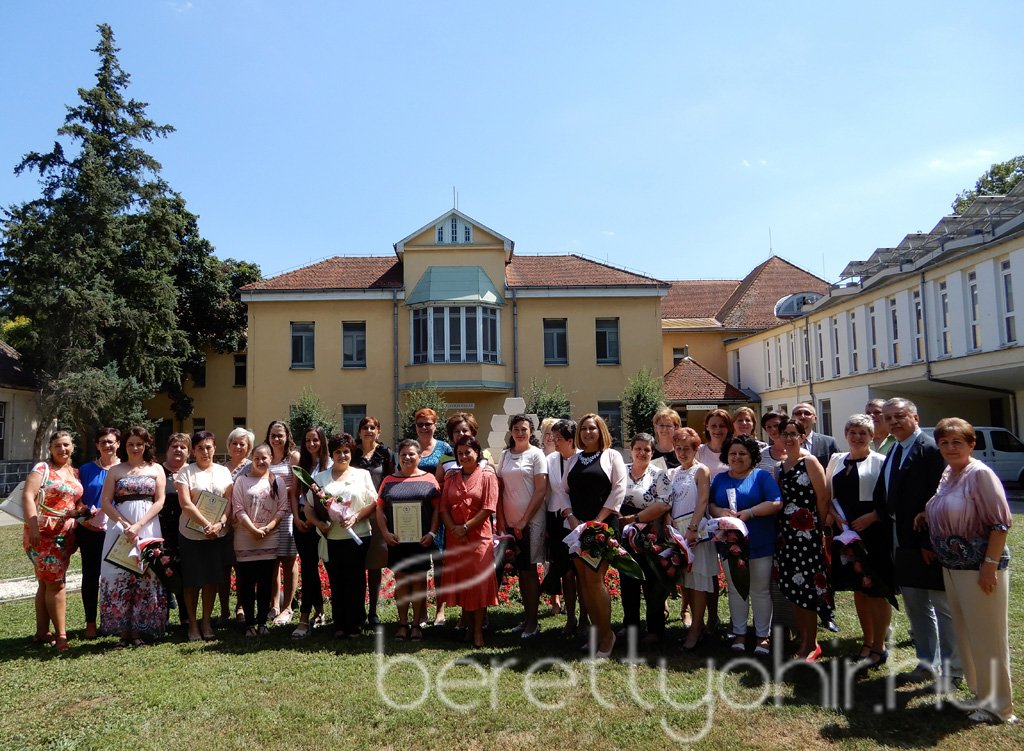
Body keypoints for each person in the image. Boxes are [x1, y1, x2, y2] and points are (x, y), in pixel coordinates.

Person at [919, 418, 1016, 725]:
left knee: (988, 638)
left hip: (979, 569)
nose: (950, 448)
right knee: (967, 635)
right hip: (953, 567)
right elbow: (952, 505)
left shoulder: (980, 474)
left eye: (957, 442)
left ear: (971, 444)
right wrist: (928, 513)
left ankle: (1000, 708)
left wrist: (989, 567)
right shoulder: (950, 473)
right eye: (944, 442)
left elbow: (1000, 524)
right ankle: (980, 694)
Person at [873, 397, 961, 685]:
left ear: (915, 417)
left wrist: (928, 541)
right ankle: (927, 664)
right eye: (888, 418)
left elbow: (940, 498)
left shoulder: (930, 451)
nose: (894, 422)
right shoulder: (895, 449)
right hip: (900, 538)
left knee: (941, 606)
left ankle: (953, 669)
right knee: (914, 603)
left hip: (927, 541)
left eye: (899, 416)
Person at [556, 414, 627, 658]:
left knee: (596, 581)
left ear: (601, 431)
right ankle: (597, 633)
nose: (587, 433)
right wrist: (572, 518)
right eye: (584, 429)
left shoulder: (612, 456)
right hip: (577, 529)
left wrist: (598, 520)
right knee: (584, 582)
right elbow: (562, 490)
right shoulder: (575, 459)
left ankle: (608, 635)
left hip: (602, 528)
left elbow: (619, 488)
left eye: (592, 429)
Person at [709, 434, 782, 656]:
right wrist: (721, 512)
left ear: (752, 456)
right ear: (726, 456)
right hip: (730, 546)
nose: (737, 457)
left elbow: (776, 502)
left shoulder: (761, 476)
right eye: (733, 453)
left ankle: (762, 636)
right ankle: (739, 634)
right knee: (735, 590)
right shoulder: (720, 479)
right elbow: (711, 504)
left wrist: (749, 513)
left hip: (759, 543)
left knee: (759, 590)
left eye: (742, 453)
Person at [825, 415, 889, 666]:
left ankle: (880, 646)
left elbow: (888, 499)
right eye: (852, 431)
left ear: (872, 436)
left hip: (873, 533)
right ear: (846, 434)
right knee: (859, 589)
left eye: (863, 432)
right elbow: (828, 494)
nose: (857, 436)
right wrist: (835, 518)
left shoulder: (881, 462)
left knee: (875, 589)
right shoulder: (836, 460)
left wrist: (872, 518)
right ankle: (867, 641)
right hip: (846, 532)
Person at [99, 427, 167, 646]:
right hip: (119, 529)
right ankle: (122, 632)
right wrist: (125, 525)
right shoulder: (116, 470)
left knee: (144, 573)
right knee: (119, 572)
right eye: (131, 444)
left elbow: (159, 500)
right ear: (124, 446)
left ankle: (139, 630)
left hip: (147, 526)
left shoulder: (156, 468)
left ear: (146, 445)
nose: (135, 448)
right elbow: (106, 502)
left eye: (139, 444)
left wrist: (139, 525)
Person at [648, 427, 713, 650]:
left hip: (695, 532)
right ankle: (698, 625)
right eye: (678, 449)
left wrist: (693, 528)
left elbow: (703, 501)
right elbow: (667, 502)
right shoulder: (673, 473)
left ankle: (696, 630)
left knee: (698, 583)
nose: (682, 453)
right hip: (676, 532)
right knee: (687, 583)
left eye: (687, 448)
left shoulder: (701, 470)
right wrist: (668, 524)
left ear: (696, 449)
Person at [775, 418, 834, 661]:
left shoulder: (809, 461)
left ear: (802, 435)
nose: (789, 438)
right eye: (784, 434)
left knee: (808, 587)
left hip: (808, 534)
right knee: (793, 586)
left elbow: (822, 498)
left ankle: (812, 642)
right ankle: (803, 638)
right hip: (787, 536)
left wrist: (819, 530)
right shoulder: (780, 466)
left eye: (793, 433)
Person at [309, 433, 378, 638]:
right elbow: (309, 508)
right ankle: (339, 623)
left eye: (346, 451)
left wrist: (356, 517)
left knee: (356, 580)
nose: (342, 456)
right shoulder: (320, 478)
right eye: (338, 452)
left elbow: (374, 503)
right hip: (332, 538)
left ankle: (356, 623)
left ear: (352, 453)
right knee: (336, 580)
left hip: (358, 536)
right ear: (331, 454)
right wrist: (319, 523)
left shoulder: (362, 475)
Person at [22, 430, 85, 651]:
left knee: (45, 583)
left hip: (65, 536)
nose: (63, 449)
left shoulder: (75, 473)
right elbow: (28, 495)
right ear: (50, 448)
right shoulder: (43, 469)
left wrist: (80, 512)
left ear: (73, 447)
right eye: (58, 445)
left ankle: (41, 632)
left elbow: (75, 502)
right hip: (42, 534)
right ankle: (61, 636)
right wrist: (33, 527)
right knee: (56, 585)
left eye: (66, 445)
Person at [376, 438, 441, 641]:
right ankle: (402, 623)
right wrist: (385, 533)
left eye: (411, 454)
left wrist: (431, 533)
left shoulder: (430, 479)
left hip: (421, 541)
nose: (407, 457)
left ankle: (416, 625)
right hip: (397, 541)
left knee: (420, 581)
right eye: (403, 454)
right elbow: (379, 508)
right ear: (398, 457)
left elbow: (438, 509)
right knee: (402, 582)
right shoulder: (388, 480)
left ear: (419, 457)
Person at [438, 435, 499, 648]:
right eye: (460, 453)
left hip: (478, 537)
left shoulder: (487, 476)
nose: (464, 456)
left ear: (477, 453)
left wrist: (466, 527)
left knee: (479, 584)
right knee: (463, 582)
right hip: (455, 538)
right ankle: (467, 627)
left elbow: (489, 508)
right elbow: (443, 507)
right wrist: (453, 528)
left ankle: (478, 631)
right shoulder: (451, 477)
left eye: (468, 452)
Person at [175, 430, 233, 642]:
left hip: (217, 535)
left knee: (211, 580)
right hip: (191, 535)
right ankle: (192, 623)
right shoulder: (186, 473)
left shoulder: (224, 472)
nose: (205, 452)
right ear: (193, 451)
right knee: (191, 581)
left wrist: (221, 524)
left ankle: (206, 621)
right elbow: (186, 504)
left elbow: (229, 502)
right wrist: (208, 524)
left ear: (215, 448)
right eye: (200, 448)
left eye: (208, 447)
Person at [497, 414, 549, 638]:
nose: (520, 433)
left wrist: (524, 520)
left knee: (529, 571)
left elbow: (540, 490)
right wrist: (501, 519)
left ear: (531, 432)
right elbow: (499, 488)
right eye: (516, 429)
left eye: (524, 429)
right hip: (509, 523)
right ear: (511, 431)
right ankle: (526, 618)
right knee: (519, 570)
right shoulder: (505, 455)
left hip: (530, 522)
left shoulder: (536, 455)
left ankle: (533, 622)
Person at [617, 432, 669, 644]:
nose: (642, 453)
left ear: (652, 452)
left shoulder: (659, 474)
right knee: (628, 580)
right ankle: (630, 626)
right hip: (623, 530)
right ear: (631, 450)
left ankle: (655, 628)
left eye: (646, 449)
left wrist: (636, 518)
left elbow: (665, 503)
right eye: (638, 449)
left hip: (650, 533)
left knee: (652, 582)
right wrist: (621, 519)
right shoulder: (621, 471)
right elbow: (612, 496)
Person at [231, 444, 288, 636]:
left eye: (264, 458)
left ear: (271, 458)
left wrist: (267, 528)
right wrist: (253, 529)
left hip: (269, 539)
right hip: (245, 539)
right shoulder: (241, 481)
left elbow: (282, 509)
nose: (261, 461)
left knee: (265, 583)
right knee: (246, 583)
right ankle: (249, 625)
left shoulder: (277, 482)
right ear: (251, 458)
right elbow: (237, 508)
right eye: (257, 457)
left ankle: (262, 622)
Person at [76, 427, 120, 639]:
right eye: (103, 441)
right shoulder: (85, 470)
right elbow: (77, 500)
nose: (107, 445)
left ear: (118, 444)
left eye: (111, 441)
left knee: (117, 576)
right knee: (91, 576)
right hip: (90, 531)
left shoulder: (126, 468)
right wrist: (85, 521)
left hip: (119, 531)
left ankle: (115, 619)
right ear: (97, 445)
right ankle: (91, 622)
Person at [544, 419, 586, 636]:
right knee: (567, 573)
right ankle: (571, 617)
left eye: (558, 438)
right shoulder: (551, 459)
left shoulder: (583, 459)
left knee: (584, 573)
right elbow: (555, 491)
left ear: (571, 440)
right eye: (553, 437)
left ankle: (586, 619)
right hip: (558, 521)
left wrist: (574, 518)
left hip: (581, 520)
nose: (554, 441)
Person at [353, 415, 394, 629]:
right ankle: (357, 610)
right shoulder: (352, 453)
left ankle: (373, 611)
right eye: (365, 427)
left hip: (378, 514)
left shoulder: (385, 454)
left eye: (373, 427)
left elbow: (390, 481)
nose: (369, 430)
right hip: (356, 515)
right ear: (359, 432)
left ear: (378, 431)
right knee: (358, 563)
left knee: (375, 565)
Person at [412, 407, 452, 626]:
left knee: (440, 563)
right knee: (418, 564)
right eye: (420, 424)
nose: (424, 428)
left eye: (428, 424)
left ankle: (440, 610)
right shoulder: (411, 447)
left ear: (435, 425)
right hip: (415, 512)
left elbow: (451, 476)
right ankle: (421, 611)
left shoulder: (445, 447)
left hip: (438, 509)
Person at [289, 426, 329, 639]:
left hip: (325, 521)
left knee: (328, 566)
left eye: (315, 440)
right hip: (303, 522)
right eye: (307, 441)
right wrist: (297, 517)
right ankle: (308, 615)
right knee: (309, 568)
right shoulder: (301, 466)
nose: (311, 444)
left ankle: (321, 611)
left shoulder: (329, 466)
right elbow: (294, 494)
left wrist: (317, 519)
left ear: (322, 441)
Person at [265, 420, 301, 626]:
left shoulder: (293, 457)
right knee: (272, 561)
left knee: (289, 561)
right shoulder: (265, 457)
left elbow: (295, 489)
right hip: (268, 515)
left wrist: (272, 491)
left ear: (287, 436)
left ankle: (288, 607)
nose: (276, 439)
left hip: (287, 513)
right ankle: (274, 605)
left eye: (280, 435)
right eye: (272, 435)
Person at [221, 427, 255, 624]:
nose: (238, 447)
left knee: (242, 569)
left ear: (248, 447)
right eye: (234, 443)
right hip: (223, 526)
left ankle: (240, 607)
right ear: (229, 445)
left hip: (244, 525)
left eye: (242, 443)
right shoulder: (220, 468)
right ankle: (224, 608)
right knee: (224, 568)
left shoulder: (252, 467)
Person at [161, 433, 191, 628]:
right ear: (167, 449)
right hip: (161, 530)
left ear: (189, 452)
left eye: (183, 447)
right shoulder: (157, 471)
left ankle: (186, 616)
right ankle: (161, 617)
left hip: (186, 530)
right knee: (162, 572)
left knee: (184, 573)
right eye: (175, 446)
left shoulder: (192, 472)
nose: (178, 450)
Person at [792, 402, 838, 468]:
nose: (802, 417)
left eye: (807, 413)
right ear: (792, 418)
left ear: (815, 419)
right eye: (798, 413)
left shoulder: (829, 443)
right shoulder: (786, 443)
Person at [733, 407, 774, 474]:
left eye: (747, 420)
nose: (744, 423)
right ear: (733, 424)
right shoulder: (727, 447)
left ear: (753, 424)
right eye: (740, 420)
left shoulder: (763, 447)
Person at [759, 410, 788, 479]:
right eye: (769, 427)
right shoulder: (761, 455)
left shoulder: (799, 452)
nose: (773, 429)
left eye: (776, 425)